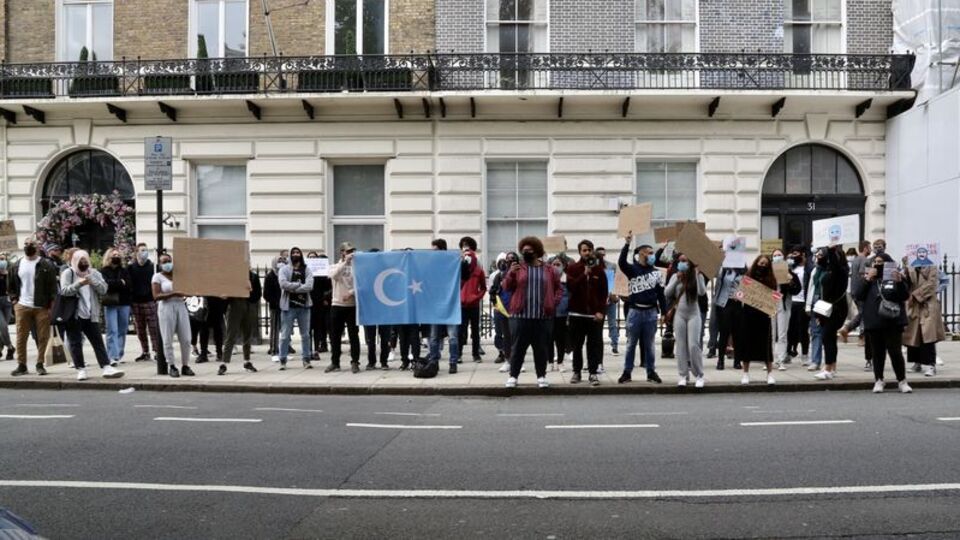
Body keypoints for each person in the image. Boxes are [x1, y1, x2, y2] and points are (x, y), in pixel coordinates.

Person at [502, 236, 562, 389]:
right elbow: (506, 287)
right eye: (523, 250)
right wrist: (510, 273)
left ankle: (541, 376)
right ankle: (513, 376)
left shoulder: (549, 270)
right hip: (520, 315)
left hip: (542, 317)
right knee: (518, 348)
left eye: (529, 250)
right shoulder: (518, 268)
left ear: (537, 251)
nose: (525, 253)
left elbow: (558, 289)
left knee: (541, 348)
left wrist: (553, 302)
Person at [59, 250, 125, 381]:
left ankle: (106, 367)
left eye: (85, 260)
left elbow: (104, 289)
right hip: (74, 315)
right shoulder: (69, 273)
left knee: (97, 341)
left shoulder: (94, 273)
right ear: (75, 261)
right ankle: (81, 369)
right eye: (80, 261)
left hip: (91, 313)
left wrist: (92, 281)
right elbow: (64, 291)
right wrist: (80, 283)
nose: (83, 263)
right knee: (75, 342)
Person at [853, 253, 912, 393]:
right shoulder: (869, 279)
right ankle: (879, 379)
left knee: (895, 352)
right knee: (877, 353)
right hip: (874, 321)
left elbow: (904, 296)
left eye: (881, 262)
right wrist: (868, 279)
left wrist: (899, 282)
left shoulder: (895, 277)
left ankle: (902, 380)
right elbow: (858, 295)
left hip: (892, 321)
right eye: (876, 262)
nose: (878, 264)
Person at [617, 234, 668, 384]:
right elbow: (621, 262)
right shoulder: (633, 270)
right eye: (650, 253)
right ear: (642, 254)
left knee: (650, 344)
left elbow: (661, 295)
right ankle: (627, 372)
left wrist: (664, 312)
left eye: (653, 253)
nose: (652, 256)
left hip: (651, 312)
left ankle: (651, 371)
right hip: (635, 312)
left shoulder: (656, 273)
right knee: (631, 344)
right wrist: (627, 244)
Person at [8, 240, 59, 376]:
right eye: (26, 244)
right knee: (21, 336)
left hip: (41, 306)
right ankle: (22, 365)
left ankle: (40, 363)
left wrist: (50, 306)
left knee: (43, 336)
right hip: (22, 305)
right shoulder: (16, 265)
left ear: (37, 248)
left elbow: (53, 287)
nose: (28, 246)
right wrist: (14, 301)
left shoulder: (46, 264)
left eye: (31, 244)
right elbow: (11, 285)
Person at [565, 240, 608, 386]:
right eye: (584, 250)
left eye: (589, 249)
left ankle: (593, 373)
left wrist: (601, 311)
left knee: (593, 345)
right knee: (577, 345)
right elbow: (571, 287)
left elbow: (603, 293)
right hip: (577, 314)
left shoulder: (599, 270)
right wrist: (584, 274)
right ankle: (576, 371)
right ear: (579, 252)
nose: (587, 252)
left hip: (594, 316)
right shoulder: (572, 268)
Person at [733, 255, 779, 385]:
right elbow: (740, 293)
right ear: (756, 263)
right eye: (761, 263)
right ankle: (745, 373)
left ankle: (769, 373)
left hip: (764, 315)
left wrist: (772, 309)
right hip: (748, 314)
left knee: (766, 344)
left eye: (765, 264)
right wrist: (738, 295)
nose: (762, 266)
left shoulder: (771, 279)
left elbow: (774, 296)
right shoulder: (748, 278)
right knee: (747, 343)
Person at [664, 253, 706, 387]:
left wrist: (698, 275)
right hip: (680, 315)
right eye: (679, 261)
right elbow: (667, 293)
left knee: (693, 345)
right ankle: (683, 375)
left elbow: (702, 292)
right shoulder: (675, 275)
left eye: (684, 261)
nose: (681, 263)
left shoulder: (696, 275)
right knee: (681, 345)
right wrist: (677, 279)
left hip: (694, 314)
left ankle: (699, 374)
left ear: (690, 263)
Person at [902, 253, 945, 377]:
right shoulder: (910, 265)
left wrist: (915, 295)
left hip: (927, 303)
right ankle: (917, 363)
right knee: (914, 335)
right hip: (913, 305)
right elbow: (907, 283)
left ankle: (931, 364)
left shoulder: (931, 266)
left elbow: (931, 284)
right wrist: (905, 268)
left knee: (928, 335)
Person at [810, 245, 849, 381]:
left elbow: (834, 264)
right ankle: (832, 366)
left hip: (836, 309)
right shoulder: (825, 270)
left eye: (821, 255)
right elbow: (821, 290)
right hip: (826, 307)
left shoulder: (838, 270)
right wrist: (819, 314)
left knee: (827, 336)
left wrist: (831, 250)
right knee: (830, 337)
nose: (818, 257)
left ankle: (828, 368)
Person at [151, 253, 194, 378]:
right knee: (168, 339)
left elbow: (188, 290)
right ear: (160, 264)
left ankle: (185, 365)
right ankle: (171, 365)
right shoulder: (157, 277)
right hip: (166, 307)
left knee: (186, 339)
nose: (167, 264)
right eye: (164, 262)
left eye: (169, 261)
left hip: (181, 305)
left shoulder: (179, 276)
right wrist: (173, 293)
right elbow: (156, 296)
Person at [707, 246, 747, 370]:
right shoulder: (723, 271)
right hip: (723, 305)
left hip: (737, 305)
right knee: (724, 333)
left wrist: (739, 296)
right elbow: (711, 271)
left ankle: (737, 361)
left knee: (737, 334)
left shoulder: (744, 273)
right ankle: (720, 361)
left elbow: (748, 289)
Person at [218, 268, 261, 375]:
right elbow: (226, 293)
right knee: (231, 335)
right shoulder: (233, 276)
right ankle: (224, 363)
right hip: (235, 305)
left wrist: (250, 290)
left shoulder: (253, 276)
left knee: (247, 335)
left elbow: (258, 294)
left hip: (249, 305)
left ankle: (247, 361)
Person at [278, 246, 314, 370]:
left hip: (304, 307)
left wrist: (292, 287)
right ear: (290, 255)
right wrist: (299, 285)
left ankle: (306, 359)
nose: (295, 254)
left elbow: (309, 286)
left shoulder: (307, 269)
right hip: (288, 307)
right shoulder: (284, 269)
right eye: (293, 252)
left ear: (301, 255)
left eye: (298, 252)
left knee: (305, 335)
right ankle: (282, 359)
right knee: (285, 335)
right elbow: (283, 284)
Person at [328, 242, 361, 373]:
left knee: (354, 335)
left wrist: (351, 293)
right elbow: (334, 276)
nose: (350, 254)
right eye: (347, 251)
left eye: (352, 251)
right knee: (335, 336)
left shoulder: (357, 268)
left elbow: (361, 283)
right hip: (337, 304)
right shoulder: (335, 266)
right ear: (342, 252)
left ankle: (355, 362)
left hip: (351, 305)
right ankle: (335, 362)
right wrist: (344, 263)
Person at [128, 243, 163, 364]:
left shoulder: (153, 267)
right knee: (140, 329)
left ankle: (157, 351)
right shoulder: (131, 268)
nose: (144, 252)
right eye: (142, 250)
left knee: (153, 328)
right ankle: (145, 351)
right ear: (137, 252)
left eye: (146, 250)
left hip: (149, 301)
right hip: (136, 302)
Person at [771, 249, 802, 371]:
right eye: (775, 255)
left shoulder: (791, 274)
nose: (777, 257)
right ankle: (770, 359)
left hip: (783, 305)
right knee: (771, 334)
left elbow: (796, 290)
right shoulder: (768, 273)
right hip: (770, 305)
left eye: (779, 255)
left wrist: (790, 282)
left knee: (782, 334)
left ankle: (781, 360)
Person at [458, 236, 486, 363]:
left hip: (473, 304)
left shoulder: (478, 267)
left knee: (475, 331)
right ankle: (458, 354)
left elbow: (483, 287)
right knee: (461, 331)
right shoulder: (458, 264)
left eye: (468, 245)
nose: (466, 248)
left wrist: (477, 297)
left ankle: (476, 354)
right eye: (464, 245)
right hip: (462, 304)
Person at [839, 241, 872, 348]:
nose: (871, 249)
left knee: (862, 313)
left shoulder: (856, 259)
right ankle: (862, 337)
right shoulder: (864, 260)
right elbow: (864, 274)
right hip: (862, 291)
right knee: (865, 314)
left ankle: (847, 329)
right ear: (865, 248)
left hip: (854, 290)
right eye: (870, 247)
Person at [786, 246, 810, 365]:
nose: (794, 256)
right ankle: (789, 352)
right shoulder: (791, 268)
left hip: (802, 302)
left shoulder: (808, 268)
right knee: (790, 329)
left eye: (796, 253)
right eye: (792, 254)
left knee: (803, 330)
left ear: (803, 254)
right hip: (791, 301)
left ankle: (805, 354)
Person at [595, 246, 620, 357]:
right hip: (598, 299)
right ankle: (597, 344)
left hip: (610, 297)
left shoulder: (611, 266)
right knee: (598, 323)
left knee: (612, 323)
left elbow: (617, 281)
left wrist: (615, 293)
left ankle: (614, 345)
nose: (602, 256)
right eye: (599, 254)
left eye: (603, 254)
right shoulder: (593, 266)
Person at [307, 251, 332, 357]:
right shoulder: (305, 271)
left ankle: (316, 348)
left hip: (319, 303)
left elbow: (328, 287)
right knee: (307, 328)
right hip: (307, 302)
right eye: (310, 258)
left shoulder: (321, 273)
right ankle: (308, 350)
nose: (312, 260)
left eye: (314, 258)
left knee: (318, 327)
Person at [548, 254, 570, 372]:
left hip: (562, 314)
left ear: (563, 266)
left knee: (560, 340)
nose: (556, 267)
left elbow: (570, 297)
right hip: (550, 313)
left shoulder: (567, 280)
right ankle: (550, 361)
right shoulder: (547, 279)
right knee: (549, 339)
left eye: (558, 264)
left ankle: (560, 362)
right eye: (554, 264)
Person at [263, 257, 282, 359]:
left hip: (284, 306)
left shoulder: (284, 275)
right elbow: (266, 294)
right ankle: (274, 349)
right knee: (275, 328)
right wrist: (275, 302)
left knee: (284, 329)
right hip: (275, 306)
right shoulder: (270, 276)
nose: (280, 264)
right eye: (278, 262)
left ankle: (283, 349)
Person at [0, 252, 16, 360]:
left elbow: (14, 286)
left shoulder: (8, 275)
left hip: (7, 302)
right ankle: (10, 346)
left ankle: (1, 348)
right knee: (3, 327)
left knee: (3, 328)